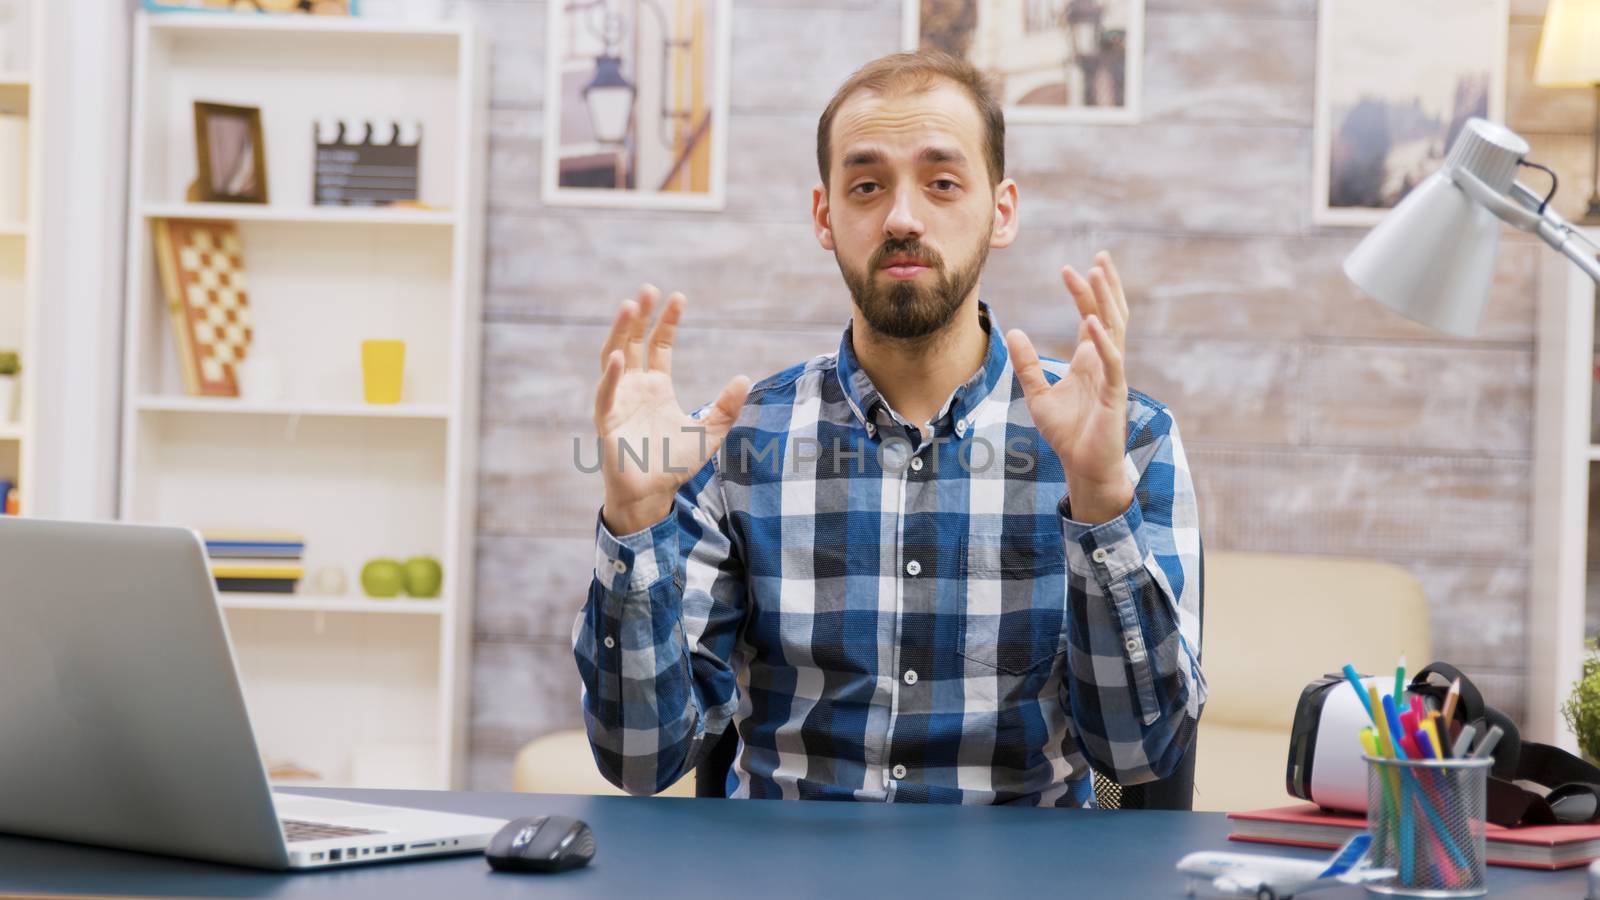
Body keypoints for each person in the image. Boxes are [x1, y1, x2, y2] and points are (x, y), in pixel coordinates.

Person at [572, 51, 1204, 806]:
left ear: (1001, 211)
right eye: (867, 186)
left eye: (941, 182)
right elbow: (640, 762)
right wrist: (636, 522)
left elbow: (1140, 754)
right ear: (824, 216)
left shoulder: (1127, 438)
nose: (903, 218)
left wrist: (1100, 497)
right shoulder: (734, 446)